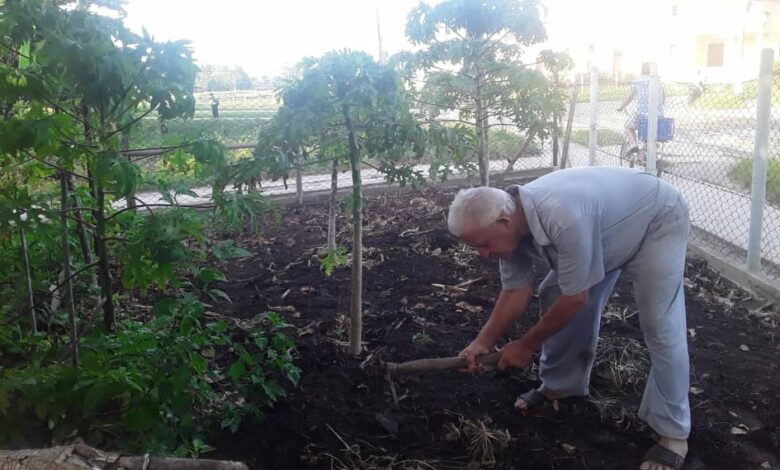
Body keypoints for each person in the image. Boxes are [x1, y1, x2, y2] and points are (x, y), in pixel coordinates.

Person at [447, 166, 691, 470]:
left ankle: (673, 432)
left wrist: (525, 345)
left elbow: (576, 298)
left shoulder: (562, 216)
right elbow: (514, 292)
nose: (482, 254)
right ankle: (560, 385)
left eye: (484, 245)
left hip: (655, 217)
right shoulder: (511, 227)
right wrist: (481, 343)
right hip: (605, 226)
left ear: (504, 222)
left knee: (660, 323)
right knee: (553, 292)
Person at [617, 63, 666, 150]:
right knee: (648, 137)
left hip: (642, 114)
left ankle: (634, 144)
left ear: (642, 71)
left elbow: (629, 97)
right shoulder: (660, 83)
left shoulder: (638, 82)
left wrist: (621, 107)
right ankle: (644, 154)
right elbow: (663, 99)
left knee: (628, 127)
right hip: (658, 115)